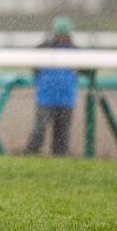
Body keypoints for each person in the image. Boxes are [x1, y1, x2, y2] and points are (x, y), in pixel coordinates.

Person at [25, 16, 78, 156]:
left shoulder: (75, 50)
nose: (62, 36)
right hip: (45, 97)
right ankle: (31, 155)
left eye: (64, 33)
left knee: (62, 132)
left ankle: (59, 158)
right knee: (39, 129)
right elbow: (34, 67)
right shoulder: (42, 48)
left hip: (66, 98)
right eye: (60, 33)